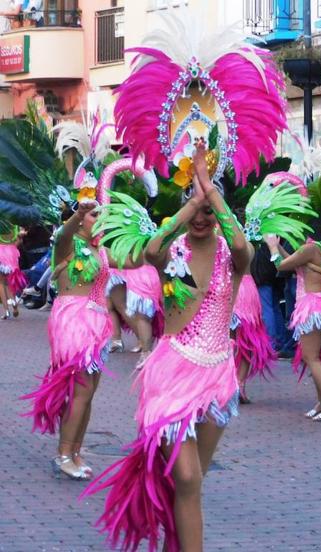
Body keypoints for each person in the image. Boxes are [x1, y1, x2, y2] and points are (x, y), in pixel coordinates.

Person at [84, 144, 256, 550]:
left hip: (217, 377)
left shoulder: (232, 257)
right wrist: (192, 201)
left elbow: (244, 246)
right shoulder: (173, 250)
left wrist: (212, 194)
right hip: (172, 373)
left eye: (208, 212)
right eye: (195, 210)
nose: (200, 218)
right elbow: (150, 249)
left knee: (191, 485)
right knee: (187, 477)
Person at [21, 200, 112, 479]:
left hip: (98, 323)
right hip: (75, 322)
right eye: (94, 215)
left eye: (100, 214)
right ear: (81, 219)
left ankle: (74, 451)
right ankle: (63, 454)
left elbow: (137, 257)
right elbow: (62, 235)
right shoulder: (67, 245)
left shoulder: (101, 249)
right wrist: (78, 215)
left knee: (88, 392)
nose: (98, 218)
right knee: (81, 392)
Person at [266, 232, 321, 421]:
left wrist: (272, 247)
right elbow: (295, 263)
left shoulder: (309, 248)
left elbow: (281, 265)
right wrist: (281, 247)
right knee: (313, 357)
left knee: (312, 358)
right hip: (319, 302)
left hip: (312, 305)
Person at [231, 269, 277, 404]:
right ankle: (237, 384)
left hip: (236, 289)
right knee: (238, 344)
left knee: (237, 343)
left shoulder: (240, 247)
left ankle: (234, 385)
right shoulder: (247, 248)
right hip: (238, 287)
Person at [0, 222, 26, 318]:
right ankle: (14, 302)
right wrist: (12, 246)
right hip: (12, 253)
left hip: (0, 253)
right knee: (10, 281)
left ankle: (6, 311)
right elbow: (20, 241)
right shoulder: (15, 226)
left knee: (1, 283)